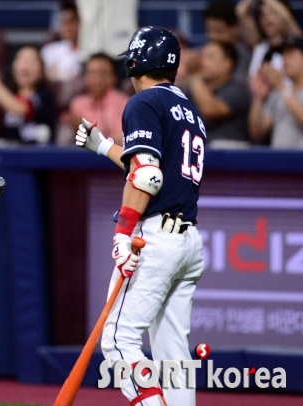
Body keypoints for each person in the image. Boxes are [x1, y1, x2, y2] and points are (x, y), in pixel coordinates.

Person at [76, 26, 205, 406]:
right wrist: (105, 147)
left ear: (135, 62)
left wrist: (122, 231)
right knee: (173, 353)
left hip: (155, 238)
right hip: (188, 242)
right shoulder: (188, 110)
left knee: (118, 340)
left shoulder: (143, 102)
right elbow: (146, 167)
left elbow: (147, 176)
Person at [0, 46, 56, 144]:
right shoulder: (8, 95)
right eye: (21, 60)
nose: (26, 65)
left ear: (41, 72)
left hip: (35, 151)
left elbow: (18, 109)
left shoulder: (43, 96)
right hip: (8, 149)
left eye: (32, 61)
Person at [184, 40, 252, 148]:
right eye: (202, 56)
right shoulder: (192, 90)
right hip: (201, 153)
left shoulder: (238, 90)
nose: (202, 62)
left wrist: (194, 75)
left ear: (227, 64)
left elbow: (210, 110)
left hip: (231, 156)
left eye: (210, 57)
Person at [248, 36, 303, 148]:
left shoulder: (281, 89)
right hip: (279, 161)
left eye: (291, 55)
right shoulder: (278, 94)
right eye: (283, 55)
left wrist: (280, 85)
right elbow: (257, 132)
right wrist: (258, 98)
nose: (285, 60)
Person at [65, 53, 129, 145]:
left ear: (114, 77)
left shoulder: (123, 102)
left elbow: (121, 138)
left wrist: (90, 129)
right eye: (91, 73)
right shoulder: (77, 103)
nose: (96, 79)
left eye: (102, 74)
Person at [237, 0, 301, 76]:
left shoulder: (295, 42)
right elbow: (241, 11)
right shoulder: (260, 47)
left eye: (273, 13)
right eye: (262, 15)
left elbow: (287, 16)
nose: (267, 18)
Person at [203, 0, 252, 82]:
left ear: (234, 29)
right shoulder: (203, 52)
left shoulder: (243, 57)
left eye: (219, 31)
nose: (213, 36)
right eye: (209, 30)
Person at [40, 2, 82, 82]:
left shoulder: (88, 52)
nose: (67, 27)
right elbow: (47, 75)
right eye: (64, 23)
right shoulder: (50, 50)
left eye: (71, 22)